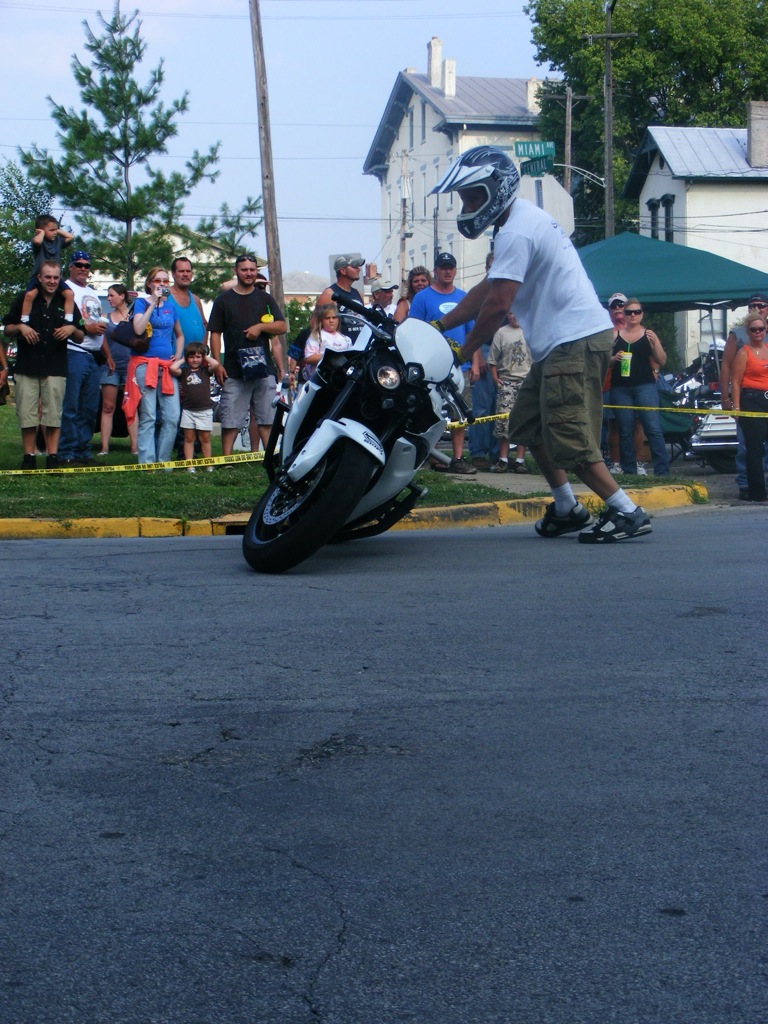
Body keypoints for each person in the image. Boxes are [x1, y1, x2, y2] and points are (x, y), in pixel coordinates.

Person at [431, 144, 651, 543]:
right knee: (528, 425)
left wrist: (461, 353)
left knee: (570, 436)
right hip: (559, 346)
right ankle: (567, 507)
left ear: (497, 188)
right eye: (464, 197)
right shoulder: (517, 223)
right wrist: (441, 324)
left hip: (575, 341)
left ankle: (627, 512)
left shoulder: (516, 229)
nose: (466, 205)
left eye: (472, 195)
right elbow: (488, 288)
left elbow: (498, 305)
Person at [3, 260, 86, 469]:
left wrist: (71, 330)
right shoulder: (26, 298)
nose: (51, 281)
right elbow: (7, 329)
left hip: (55, 365)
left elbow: (81, 335)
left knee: (53, 414)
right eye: (47, 277)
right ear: (39, 278)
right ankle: (29, 457)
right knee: (27, 413)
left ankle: (52, 457)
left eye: (55, 277)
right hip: (27, 365)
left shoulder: (65, 300)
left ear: (60, 279)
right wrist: (21, 327)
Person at [208, 254, 287, 455]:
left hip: (263, 368)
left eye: (252, 269)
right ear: (236, 271)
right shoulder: (224, 300)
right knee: (231, 418)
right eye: (244, 269)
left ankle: (269, 458)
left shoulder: (265, 298)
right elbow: (215, 333)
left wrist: (260, 327)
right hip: (234, 369)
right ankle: (226, 460)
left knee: (266, 417)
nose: (249, 273)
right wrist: (217, 363)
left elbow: (281, 326)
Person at [409, 251, 478, 475]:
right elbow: (414, 330)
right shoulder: (422, 298)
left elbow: (472, 334)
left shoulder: (465, 297)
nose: (447, 271)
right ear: (435, 271)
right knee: (431, 412)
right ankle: (429, 456)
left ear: (455, 271)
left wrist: (475, 362)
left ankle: (458, 458)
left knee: (460, 412)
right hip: (432, 365)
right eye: (443, 267)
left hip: (459, 366)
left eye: (451, 267)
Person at [123, 267, 184, 465]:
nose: (162, 284)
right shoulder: (140, 303)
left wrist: (178, 356)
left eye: (165, 281)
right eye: (158, 280)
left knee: (172, 416)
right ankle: (147, 462)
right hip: (144, 364)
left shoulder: (171, 307)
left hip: (167, 366)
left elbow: (179, 335)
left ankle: (163, 461)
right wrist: (153, 303)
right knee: (148, 415)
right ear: (150, 283)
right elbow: (139, 328)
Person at [608, 297, 670, 477]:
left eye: (636, 312)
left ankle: (662, 471)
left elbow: (662, 360)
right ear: (624, 315)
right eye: (629, 312)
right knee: (624, 429)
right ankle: (629, 470)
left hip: (645, 385)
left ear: (642, 315)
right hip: (620, 387)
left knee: (653, 428)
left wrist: (655, 343)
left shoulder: (649, 334)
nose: (633, 315)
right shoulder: (615, 336)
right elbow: (605, 363)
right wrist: (613, 358)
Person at [58, 251, 110, 466]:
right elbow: (63, 318)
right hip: (74, 351)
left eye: (87, 266)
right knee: (71, 405)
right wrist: (84, 327)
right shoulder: (65, 289)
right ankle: (66, 452)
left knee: (89, 408)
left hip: (94, 355)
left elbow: (98, 325)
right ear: (70, 266)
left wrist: (107, 354)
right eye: (79, 264)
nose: (83, 269)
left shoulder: (92, 292)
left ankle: (83, 451)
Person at [719, 294, 768, 500]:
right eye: (752, 305)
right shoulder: (738, 335)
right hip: (749, 396)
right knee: (748, 445)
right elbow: (727, 367)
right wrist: (726, 398)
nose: (756, 308)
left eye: (760, 305)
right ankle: (747, 484)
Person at [487, 312, 532, 473]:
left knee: (524, 420)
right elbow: (492, 360)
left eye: (517, 312)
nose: (515, 316)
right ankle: (503, 459)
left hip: (526, 381)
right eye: (512, 313)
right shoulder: (501, 332)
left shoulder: (530, 330)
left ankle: (520, 460)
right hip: (506, 381)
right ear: (508, 315)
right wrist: (495, 378)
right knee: (504, 421)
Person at [731, 310, 768, 503]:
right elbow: (735, 382)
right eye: (754, 330)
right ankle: (757, 492)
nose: (758, 332)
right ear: (748, 331)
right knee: (754, 448)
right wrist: (736, 407)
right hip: (751, 400)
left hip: (766, 398)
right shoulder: (743, 352)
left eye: (761, 329)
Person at [98, 284, 138, 456]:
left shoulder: (135, 317)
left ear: (122, 296)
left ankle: (135, 447)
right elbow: (100, 339)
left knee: (132, 407)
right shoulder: (104, 317)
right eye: (107, 296)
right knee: (108, 406)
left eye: (112, 295)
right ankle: (104, 447)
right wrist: (107, 356)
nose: (109, 298)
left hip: (131, 366)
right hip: (111, 366)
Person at [170, 342, 220, 472]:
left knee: (205, 439)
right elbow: (172, 368)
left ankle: (208, 464)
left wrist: (205, 356)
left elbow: (216, 365)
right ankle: (189, 465)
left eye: (198, 357)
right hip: (188, 411)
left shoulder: (205, 371)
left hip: (204, 411)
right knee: (189, 438)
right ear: (187, 358)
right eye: (191, 357)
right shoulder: (184, 372)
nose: (195, 360)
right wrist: (182, 359)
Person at [19, 215, 75, 326]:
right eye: (52, 230)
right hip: (39, 277)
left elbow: (70, 237)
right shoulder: (40, 241)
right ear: (42, 230)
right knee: (30, 295)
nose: (55, 232)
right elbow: (37, 242)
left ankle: (68, 319)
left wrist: (56, 230)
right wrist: (41, 233)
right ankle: (24, 319)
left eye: (56, 229)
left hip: (55, 278)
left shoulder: (58, 241)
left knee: (69, 294)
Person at [317, 255, 366, 343]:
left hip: (361, 350)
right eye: (355, 267)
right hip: (341, 350)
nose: (359, 269)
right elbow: (315, 324)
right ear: (343, 271)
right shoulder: (329, 294)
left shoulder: (358, 293)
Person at [300, 303, 352, 380]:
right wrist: (331, 357)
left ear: (338, 319)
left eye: (334, 317)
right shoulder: (316, 336)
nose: (331, 320)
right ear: (321, 320)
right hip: (320, 378)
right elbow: (309, 358)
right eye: (327, 318)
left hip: (340, 378)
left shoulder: (346, 339)